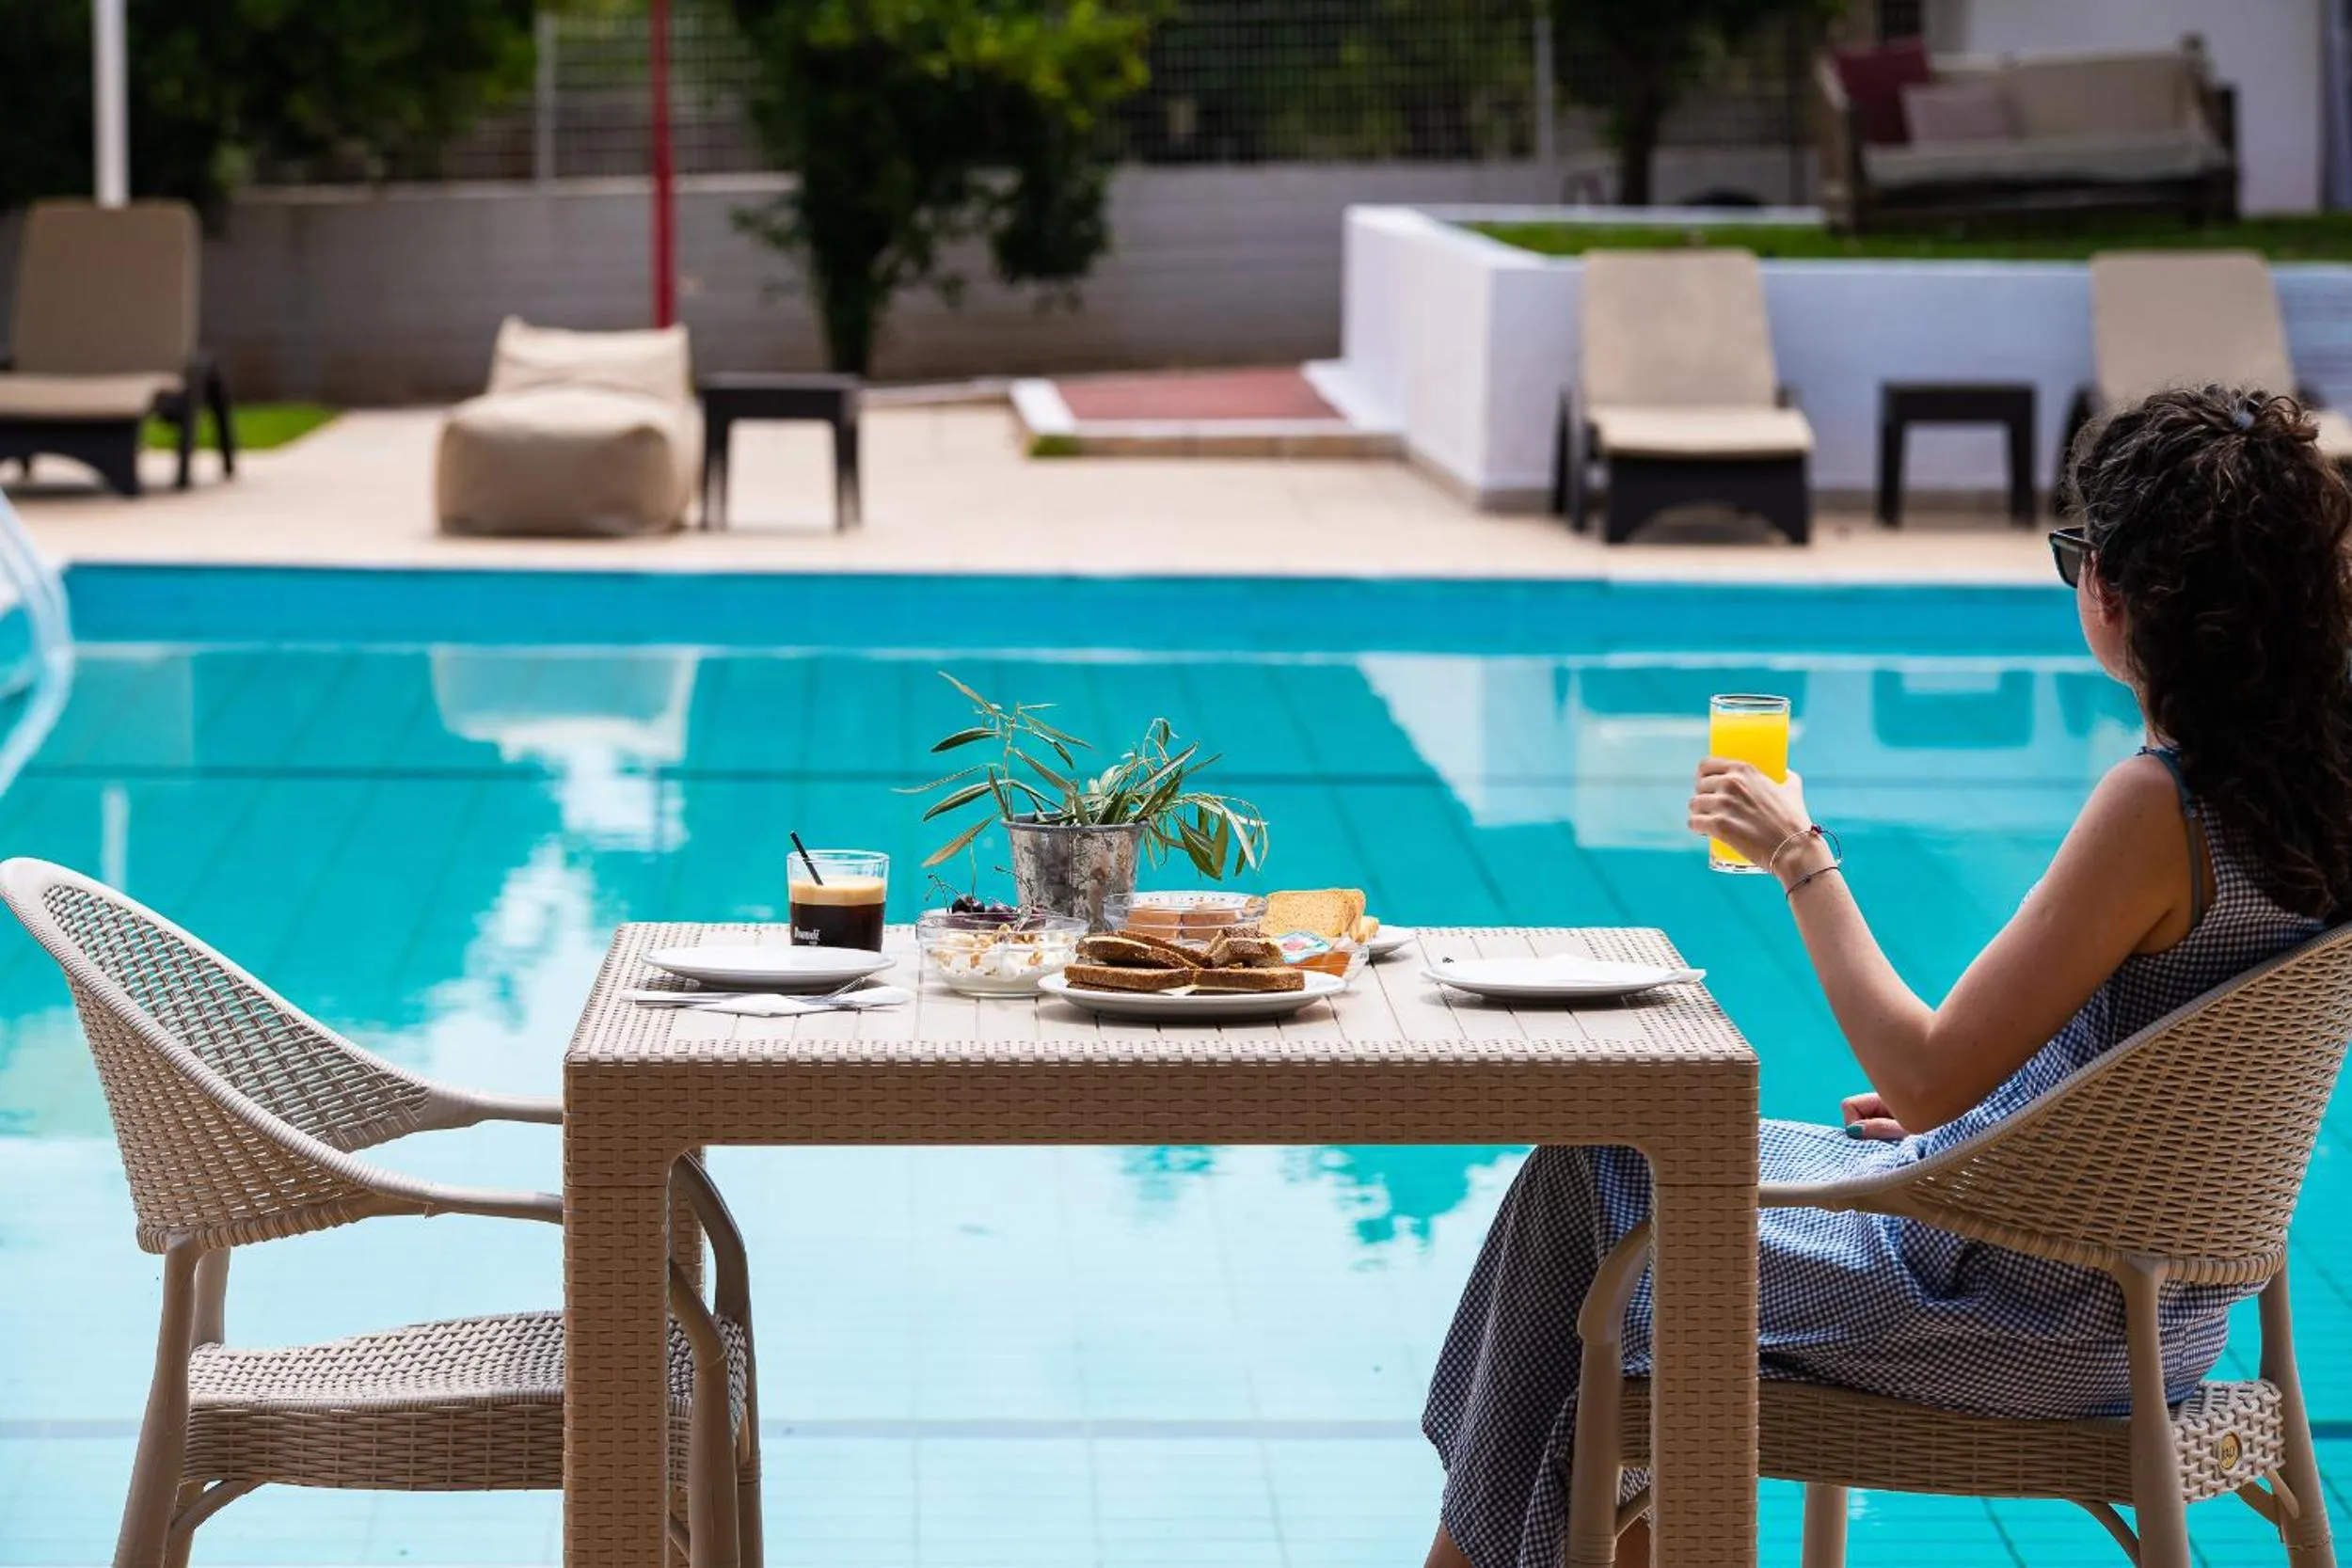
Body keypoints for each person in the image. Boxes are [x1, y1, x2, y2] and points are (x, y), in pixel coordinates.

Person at [1421, 386, 2352, 1568]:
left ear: (2116, 590)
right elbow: (2169, 1070)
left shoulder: (2157, 805)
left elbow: (1921, 1073)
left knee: (1595, 1172)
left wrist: (1798, 855)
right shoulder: (2319, 798)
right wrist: (2018, 1127)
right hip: (2148, 1308)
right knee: (1625, 1200)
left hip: (2008, 1314)